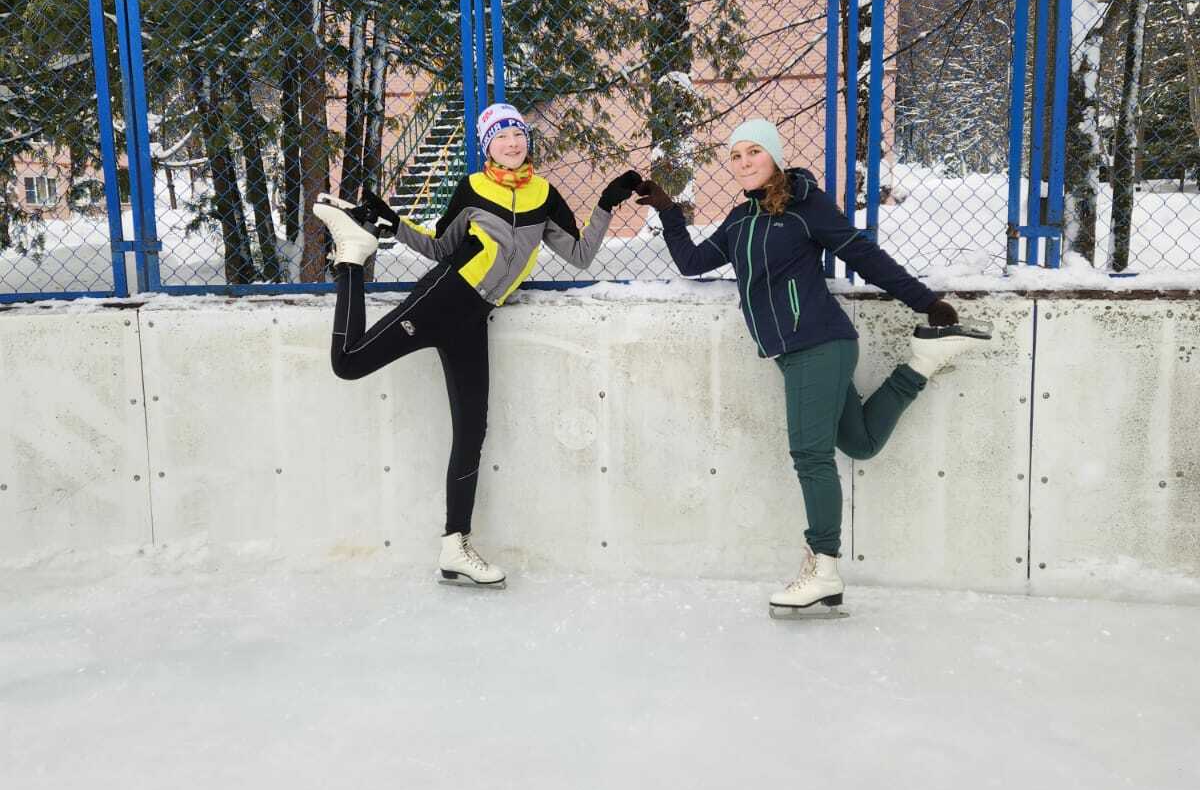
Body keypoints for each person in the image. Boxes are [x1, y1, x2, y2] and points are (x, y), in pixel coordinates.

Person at [637, 118, 990, 617]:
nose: (743, 162)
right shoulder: (740, 220)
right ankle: (923, 361)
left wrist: (926, 302)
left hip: (819, 344)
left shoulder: (807, 206)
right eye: (735, 155)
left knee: (810, 455)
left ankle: (823, 569)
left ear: (775, 156)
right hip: (796, 353)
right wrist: (671, 211)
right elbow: (694, 262)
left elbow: (863, 256)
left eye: (753, 152)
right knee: (860, 442)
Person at [313, 101, 641, 589]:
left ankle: (454, 546)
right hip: (443, 297)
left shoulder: (544, 195)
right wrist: (394, 223)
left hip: (475, 319)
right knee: (349, 362)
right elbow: (442, 248)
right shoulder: (472, 188)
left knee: (472, 431)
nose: (513, 142)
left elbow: (580, 255)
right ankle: (353, 260)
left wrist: (605, 205)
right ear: (488, 144)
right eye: (501, 135)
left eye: (518, 134)